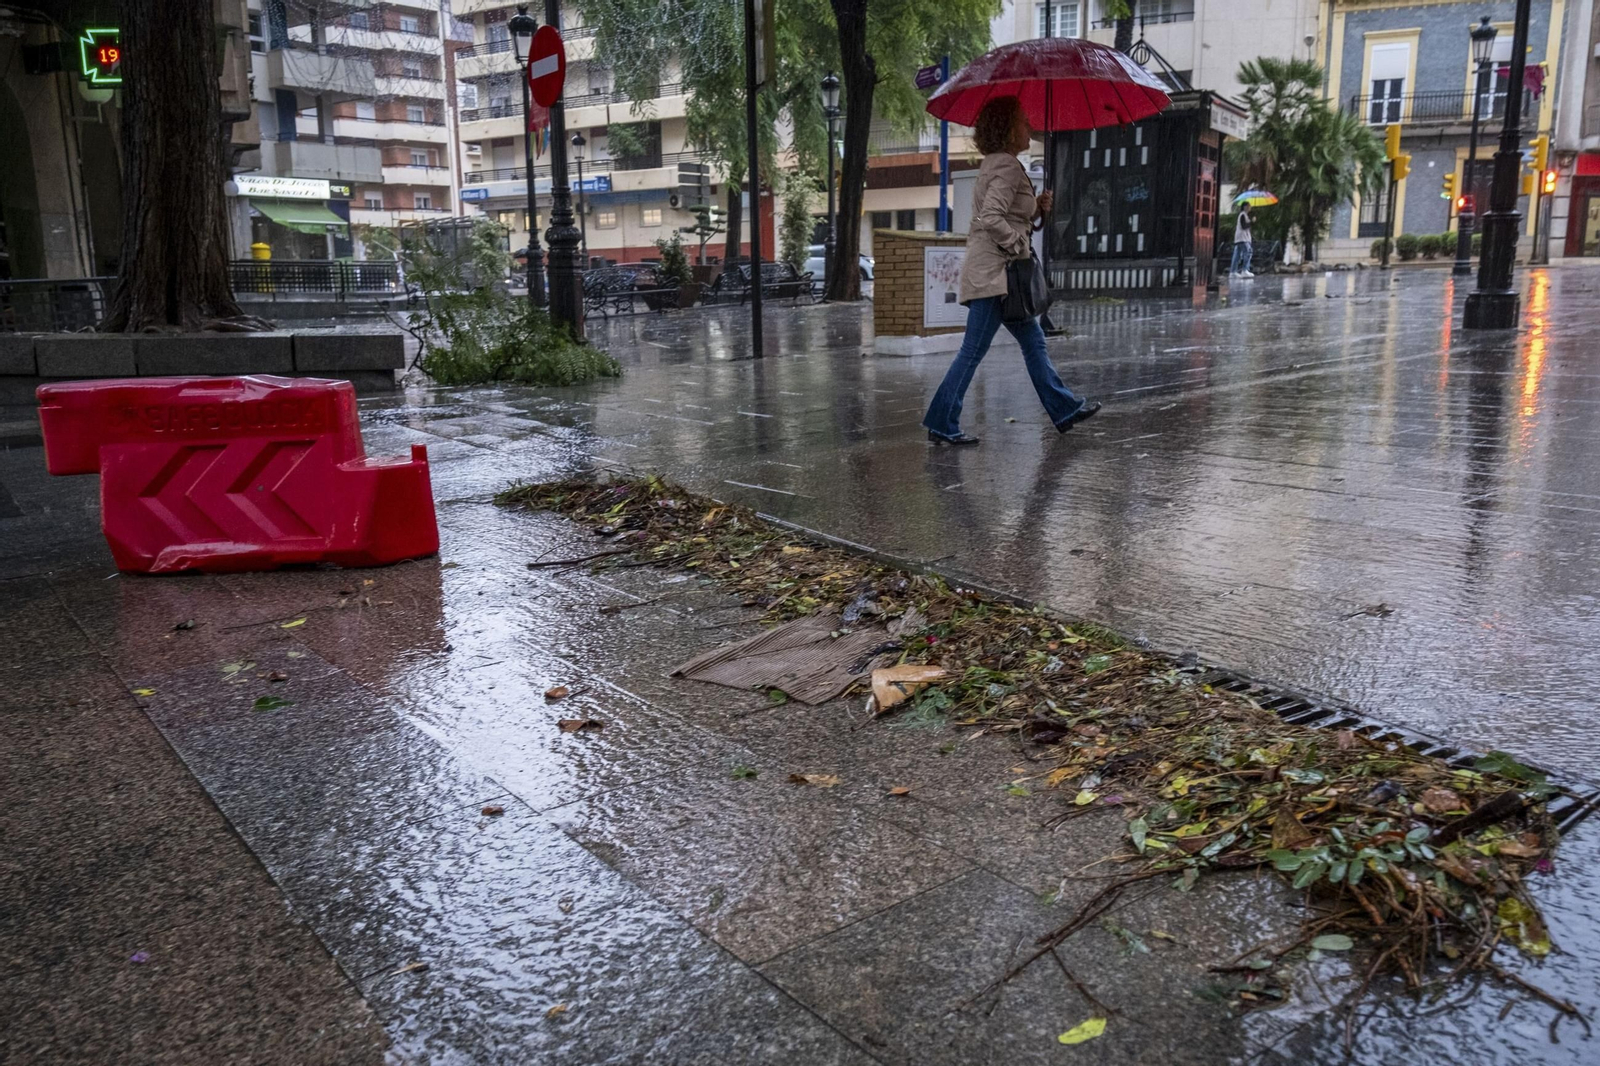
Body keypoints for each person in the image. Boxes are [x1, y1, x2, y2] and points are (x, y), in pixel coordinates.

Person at [922, 96, 1098, 446]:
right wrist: (1018, 243)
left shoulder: (1000, 163)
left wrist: (1037, 208)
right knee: (973, 351)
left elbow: (1012, 214)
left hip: (1002, 277)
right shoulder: (1005, 165)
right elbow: (991, 218)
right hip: (995, 277)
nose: (1029, 126)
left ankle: (1063, 408)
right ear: (1006, 128)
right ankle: (942, 420)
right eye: (1022, 121)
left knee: (1034, 343)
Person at [1230, 203, 1254, 278]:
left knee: (1237, 255)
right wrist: (1252, 222)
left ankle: (1233, 271)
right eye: (1248, 206)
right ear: (1245, 207)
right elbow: (1244, 226)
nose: (1250, 207)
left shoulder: (1244, 215)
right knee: (1248, 252)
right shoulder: (1243, 215)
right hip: (1243, 238)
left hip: (1240, 238)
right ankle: (1245, 270)